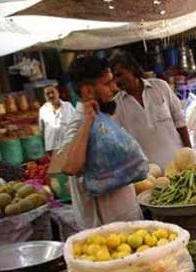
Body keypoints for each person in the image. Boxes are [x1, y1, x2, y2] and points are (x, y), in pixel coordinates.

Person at [59, 56, 143, 229]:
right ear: (88, 91)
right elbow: (70, 167)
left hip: (129, 220)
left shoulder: (104, 118)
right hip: (105, 232)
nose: (114, 88)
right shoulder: (77, 124)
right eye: (107, 84)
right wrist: (88, 119)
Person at [110, 51, 191, 169]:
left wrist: (190, 152)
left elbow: (180, 122)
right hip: (149, 174)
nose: (117, 81)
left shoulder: (160, 87)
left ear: (131, 69)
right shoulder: (116, 105)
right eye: (113, 78)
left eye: (119, 75)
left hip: (178, 165)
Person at [39, 85, 76, 154]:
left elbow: (76, 123)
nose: (50, 95)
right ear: (44, 97)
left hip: (69, 144)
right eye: (47, 94)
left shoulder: (68, 106)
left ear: (58, 93)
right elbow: (42, 130)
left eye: (53, 92)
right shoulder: (42, 110)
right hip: (53, 147)